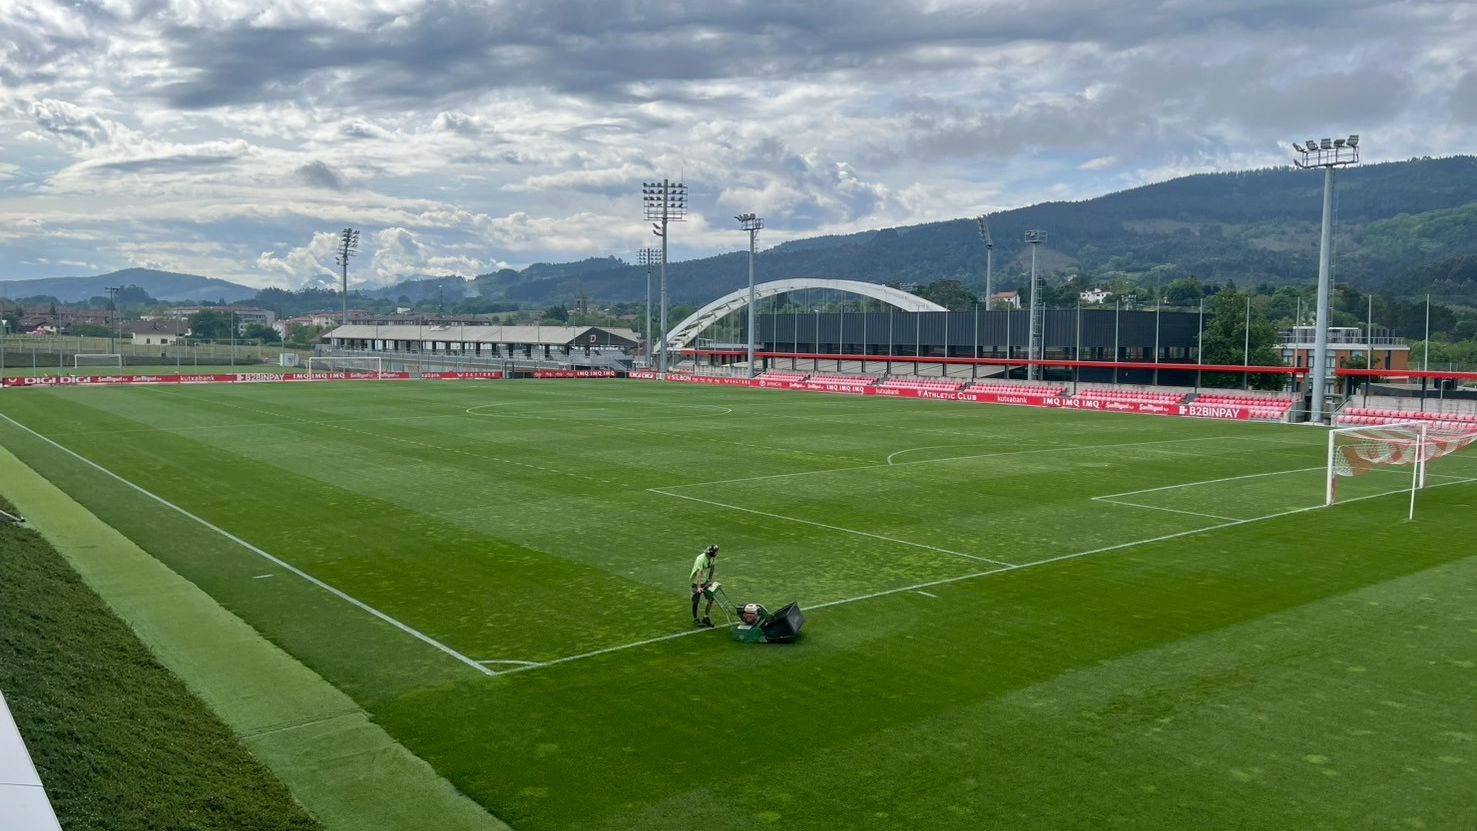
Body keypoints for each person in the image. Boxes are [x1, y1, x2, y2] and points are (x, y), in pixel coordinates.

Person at [690, 544, 719, 627]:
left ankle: (705, 617)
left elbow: (712, 569)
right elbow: (699, 573)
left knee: (711, 598)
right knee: (696, 600)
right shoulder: (700, 559)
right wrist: (699, 587)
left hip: (705, 581)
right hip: (696, 582)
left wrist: (709, 580)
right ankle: (695, 619)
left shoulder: (712, 559)